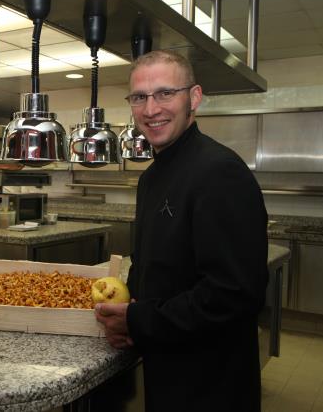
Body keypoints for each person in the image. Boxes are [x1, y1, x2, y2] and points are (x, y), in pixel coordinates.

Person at [94, 50, 268, 412]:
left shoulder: (219, 172)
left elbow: (233, 295)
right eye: (139, 97)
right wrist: (134, 311)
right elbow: (158, 269)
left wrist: (138, 320)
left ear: (195, 97)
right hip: (168, 370)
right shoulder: (153, 177)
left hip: (211, 384)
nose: (151, 109)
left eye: (165, 93)